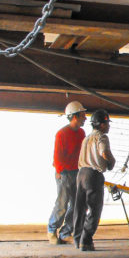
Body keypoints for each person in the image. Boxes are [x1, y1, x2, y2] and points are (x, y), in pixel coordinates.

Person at [71, 109, 116, 252]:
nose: (108, 126)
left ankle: (78, 239)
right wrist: (111, 162)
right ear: (102, 125)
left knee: (80, 208)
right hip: (93, 176)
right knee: (95, 210)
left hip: (81, 174)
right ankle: (86, 240)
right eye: (107, 123)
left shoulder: (87, 138)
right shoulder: (101, 137)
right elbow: (104, 152)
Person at [47, 101, 86, 245]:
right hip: (63, 173)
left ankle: (65, 233)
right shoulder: (62, 134)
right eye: (82, 115)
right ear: (74, 116)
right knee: (62, 203)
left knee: (77, 204)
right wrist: (59, 172)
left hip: (77, 172)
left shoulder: (81, 133)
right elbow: (57, 156)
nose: (85, 118)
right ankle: (52, 230)